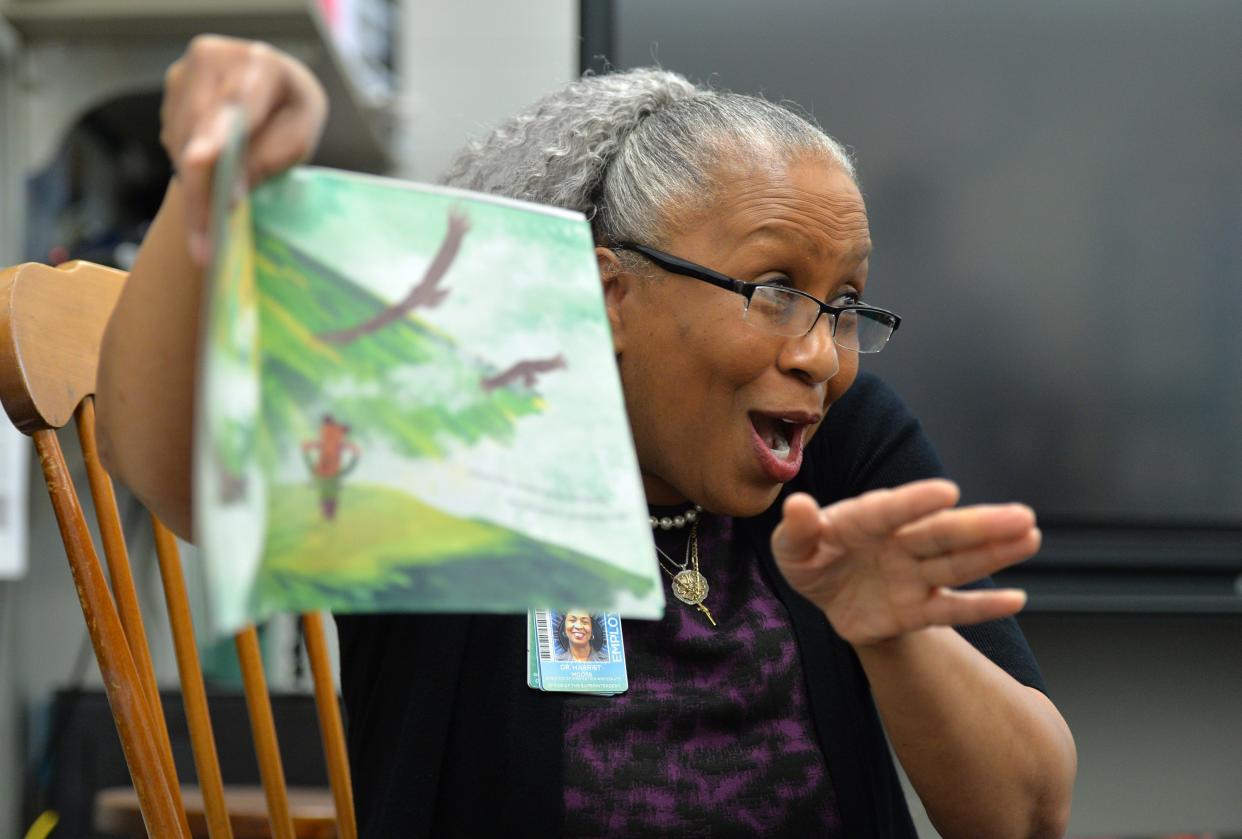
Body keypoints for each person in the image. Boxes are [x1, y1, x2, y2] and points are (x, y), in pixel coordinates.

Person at [96, 35, 1076, 838]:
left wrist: (894, 635)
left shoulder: (848, 446)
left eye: (847, 302)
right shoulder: (469, 421)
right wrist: (207, 174)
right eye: (773, 290)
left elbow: (1027, 813)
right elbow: (168, 463)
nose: (821, 353)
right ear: (611, 292)